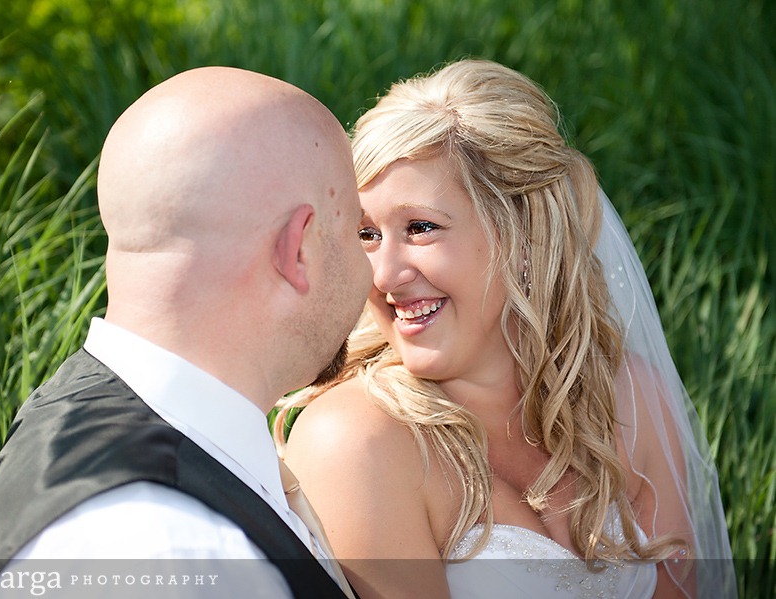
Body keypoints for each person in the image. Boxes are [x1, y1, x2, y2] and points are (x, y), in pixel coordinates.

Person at [276, 59, 736, 599]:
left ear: (523, 236)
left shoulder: (629, 398)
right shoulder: (357, 442)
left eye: (420, 228)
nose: (383, 275)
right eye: (367, 234)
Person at [0, 66, 370, 598]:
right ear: (299, 249)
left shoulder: (97, 433)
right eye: (359, 231)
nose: (374, 273)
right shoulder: (170, 551)